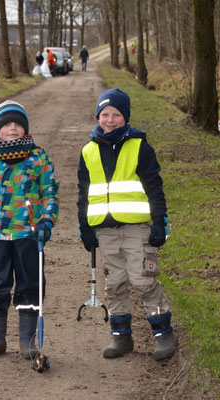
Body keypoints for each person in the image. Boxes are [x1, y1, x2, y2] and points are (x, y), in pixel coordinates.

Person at [76, 88, 176, 361]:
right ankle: (121, 337)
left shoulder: (139, 146)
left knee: (143, 280)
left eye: (116, 114)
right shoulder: (88, 151)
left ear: (125, 116)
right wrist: (85, 228)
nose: (110, 120)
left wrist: (160, 222)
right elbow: (83, 193)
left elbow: (154, 187)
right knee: (115, 283)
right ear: (98, 116)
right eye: (105, 114)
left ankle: (162, 333)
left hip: (137, 229)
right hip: (105, 231)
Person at [0, 100, 59, 360]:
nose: (13, 128)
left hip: (29, 233)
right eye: (6, 125)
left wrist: (47, 221)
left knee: (30, 284)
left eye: (17, 124)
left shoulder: (38, 157)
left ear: (25, 129)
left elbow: (50, 192)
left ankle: (28, 340)